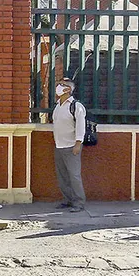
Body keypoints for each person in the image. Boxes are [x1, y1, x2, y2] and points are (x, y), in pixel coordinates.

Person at [51, 79, 88, 212]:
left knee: (74, 175)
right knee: (63, 176)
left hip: (71, 145)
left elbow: (80, 126)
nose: (58, 87)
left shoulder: (76, 106)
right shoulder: (58, 105)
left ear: (68, 89)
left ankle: (78, 202)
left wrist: (78, 143)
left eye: (61, 85)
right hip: (59, 145)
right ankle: (68, 199)